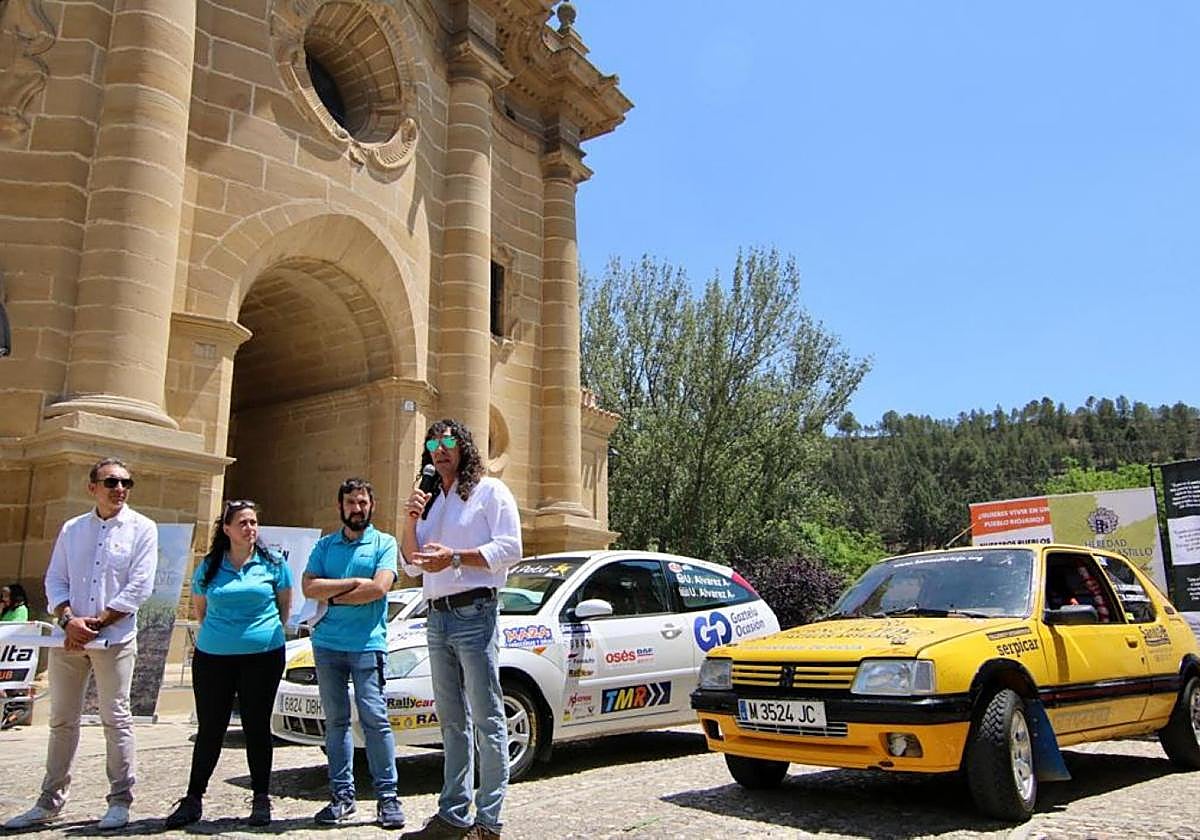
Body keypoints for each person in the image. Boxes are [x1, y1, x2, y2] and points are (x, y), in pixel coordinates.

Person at [3, 458, 156, 831]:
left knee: (116, 718)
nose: (120, 488)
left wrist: (99, 623)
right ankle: (49, 801)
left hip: (115, 638)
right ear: (93, 488)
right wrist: (69, 619)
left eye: (126, 482)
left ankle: (120, 800)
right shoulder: (72, 529)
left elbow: (140, 586)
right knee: (61, 720)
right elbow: (55, 579)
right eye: (111, 482)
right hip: (69, 637)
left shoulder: (143, 529)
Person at [400, 419, 522, 840]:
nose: (440, 448)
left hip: (475, 614)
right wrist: (411, 518)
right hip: (436, 616)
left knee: (487, 718)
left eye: (448, 441)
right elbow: (408, 561)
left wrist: (454, 559)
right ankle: (453, 814)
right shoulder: (432, 501)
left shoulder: (490, 492)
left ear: (464, 447)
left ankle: (489, 823)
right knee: (452, 721)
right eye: (433, 442)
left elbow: (511, 549)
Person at [164, 499, 292, 829]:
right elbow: (201, 612)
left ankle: (261, 799)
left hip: (262, 656)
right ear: (227, 529)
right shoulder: (209, 566)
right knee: (210, 728)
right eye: (243, 523)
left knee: (256, 726)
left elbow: (284, 610)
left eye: (253, 522)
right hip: (214, 658)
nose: (250, 528)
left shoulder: (274, 563)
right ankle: (193, 799)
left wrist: (254, 635)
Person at [301, 477, 405, 829]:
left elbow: (379, 588)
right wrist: (349, 587)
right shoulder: (326, 545)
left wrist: (331, 593)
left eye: (362, 502)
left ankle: (387, 797)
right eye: (351, 503)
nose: (357, 508)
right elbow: (308, 586)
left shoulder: (385, 543)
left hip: (367, 645)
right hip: (327, 644)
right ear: (340, 506)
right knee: (336, 724)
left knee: (375, 721)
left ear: (371, 505)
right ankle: (342, 797)